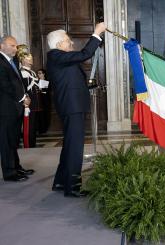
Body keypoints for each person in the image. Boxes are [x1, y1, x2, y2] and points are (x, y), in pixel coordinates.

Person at [47, 22, 106, 197]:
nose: (71, 43)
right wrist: (96, 33)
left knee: (70, 145)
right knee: (75, 146)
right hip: (71, 107)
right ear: (59, 45)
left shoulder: (60, 58)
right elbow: (85, 54)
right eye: (67, 41)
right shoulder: (56, 55)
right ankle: (72, 186)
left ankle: (60, 181)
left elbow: (70, 80)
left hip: (72, 105)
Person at [0, 36, 34, 181]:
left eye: (15, 46)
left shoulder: (12, 61)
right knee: (6, 141)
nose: (15, 48)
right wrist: (23, 99)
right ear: (2, 46)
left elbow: (19, 82)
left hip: (15, 107)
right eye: (12, 45)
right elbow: (5, 85)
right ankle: (9, 173)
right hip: (5, 109)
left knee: (13, 140)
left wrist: (25, 95)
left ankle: (16, 167)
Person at [17, 45, 43, 147]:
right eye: (28, 58)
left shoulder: (32, 72)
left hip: (35, 102)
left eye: (31, 58)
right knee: (29, 125)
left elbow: (41, 87)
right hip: (29, 102)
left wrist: (44, 80)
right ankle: (28, 145)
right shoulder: (23, 72)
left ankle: (33, 144)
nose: (31, 59)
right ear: (23, 60)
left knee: (34, 125)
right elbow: (24, 88)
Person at [37, 69, 51, 134]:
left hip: (45, 101)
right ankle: (40, 129)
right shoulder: (37, 81)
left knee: (46, 115)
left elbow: (45, 92)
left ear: (43, 74)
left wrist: (40, 89)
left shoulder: (46, 81)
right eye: (38, 73)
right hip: (39, 101)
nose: (38, 75)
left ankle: (44, 129)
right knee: (40, 116)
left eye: (40, 73)